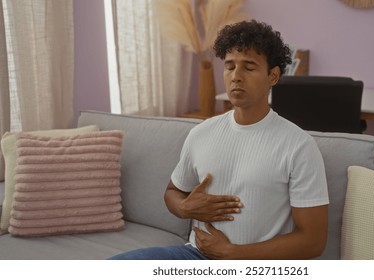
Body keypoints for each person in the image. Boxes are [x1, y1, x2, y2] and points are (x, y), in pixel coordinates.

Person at [109, 19, 329, 260]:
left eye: (249, 67)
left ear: (273, 76)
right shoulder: (202, 133)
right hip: (195, 256)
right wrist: (183, 208)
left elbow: (313, 242)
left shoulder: (298, 146)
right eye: (229, 66)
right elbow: (173, 192)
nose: (236, 76)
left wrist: (233, 253)